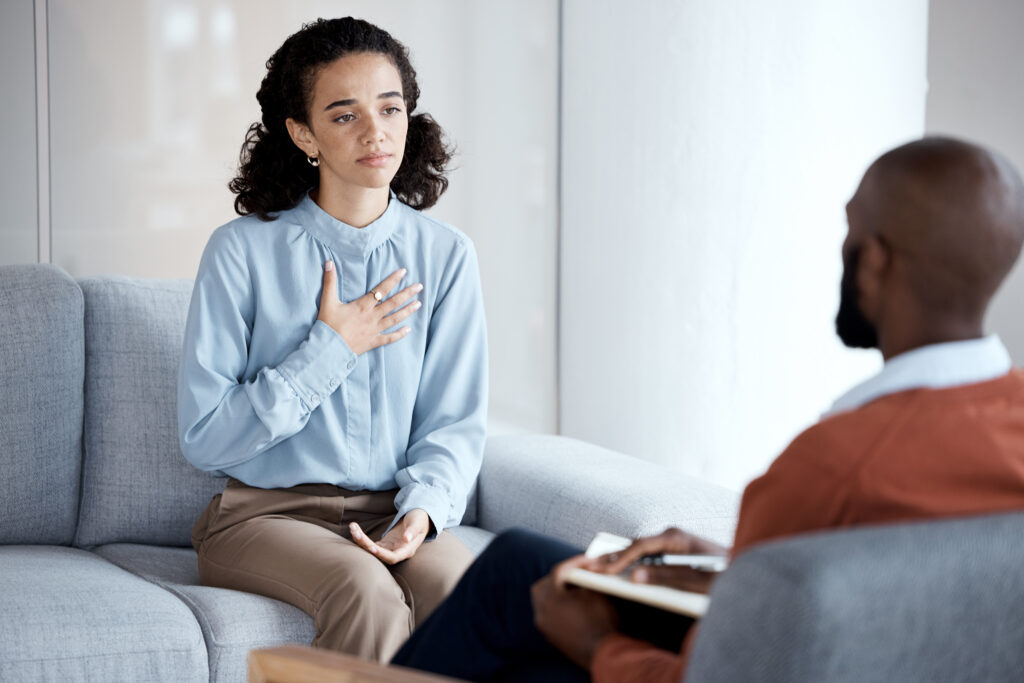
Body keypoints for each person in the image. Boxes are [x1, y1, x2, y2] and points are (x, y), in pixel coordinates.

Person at [389, 136, 1024, 681]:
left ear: (875, 260)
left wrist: (597, 645)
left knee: (520, 632)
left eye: (850, 229)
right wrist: (739, 565)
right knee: (518, 561)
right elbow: (901, 580)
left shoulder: (836, 465)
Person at [177, 17, 487, 663]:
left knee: (464, 590)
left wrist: (422, 514)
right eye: (344, 115)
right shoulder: (240, 252)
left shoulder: (447, 256)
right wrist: (332, 348)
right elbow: (204, 434)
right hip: (262, 518)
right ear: (302, 132)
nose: (376, 131)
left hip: (391, 507)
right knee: (366, 590)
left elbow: (453, 425)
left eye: (391, 107)